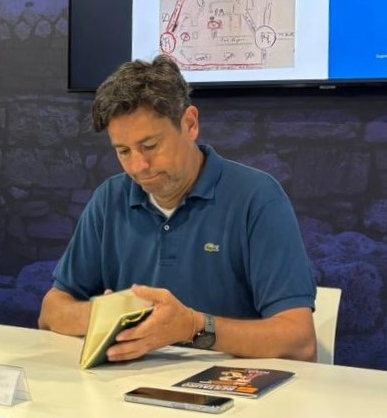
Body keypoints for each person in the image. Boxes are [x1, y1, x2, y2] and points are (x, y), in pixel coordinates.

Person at [39, 56, 316, 362]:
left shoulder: (257, 198)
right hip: (126, 385)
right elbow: (51, 312)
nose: (138, 166)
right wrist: (105, 314)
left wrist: (194, 328)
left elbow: (299, 340)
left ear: (190, 124)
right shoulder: (109, 199)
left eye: (150, 146)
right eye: (124, 151)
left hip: (233, 386)